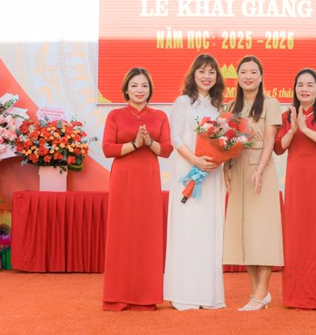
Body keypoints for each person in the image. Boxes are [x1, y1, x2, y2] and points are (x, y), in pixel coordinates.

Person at [101, 67, 173, 311]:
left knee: (146, 234)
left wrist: (149, 142)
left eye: (144, 85)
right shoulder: (115, 115)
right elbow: (108, 149)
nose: (139, 90)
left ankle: (146, 296)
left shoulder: (159, 116)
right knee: (122, 233)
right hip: (123, 177)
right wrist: (134, 143)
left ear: (150, 89)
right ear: (126, 89)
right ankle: (118, 295)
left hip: (148, 178)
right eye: (134, 85)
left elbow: (166, 150)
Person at [274, 68, 316, 310]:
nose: (304, 89)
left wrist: (306, 129)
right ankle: (297, 295)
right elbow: (278, 148)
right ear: (294, 89)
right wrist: (293, 129)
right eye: (300, 85)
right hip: (297, 180)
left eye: (310, 85)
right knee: (297, 233)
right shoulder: (287, 116)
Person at [164, 54, 227, 310]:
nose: (206, 76)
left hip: (212, 175)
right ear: (193, 74)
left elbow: (224, 141)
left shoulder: (219, 107)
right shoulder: (184, 102)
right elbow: (176, 139)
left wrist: (218, 159)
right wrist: (196, 161)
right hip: (188, 171)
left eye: (211, 72)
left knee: (208, 230)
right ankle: (184, 294)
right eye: (202, 71)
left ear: (217, 77)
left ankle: (207, 295)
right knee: (187, 228)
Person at [223, 55, 283, 311]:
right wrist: (226, 166)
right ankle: (256, 291)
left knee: (263, 229)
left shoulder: (270, 103)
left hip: (261, 171)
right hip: (237, 169)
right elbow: (224, 140)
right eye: (243, 72)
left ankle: (262, 291)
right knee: (244, 229)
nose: (248, 76)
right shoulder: (230, 107)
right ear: (237, 77)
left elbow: (270, 140)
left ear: (261, 76)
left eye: (253, 72)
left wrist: (259, 169)